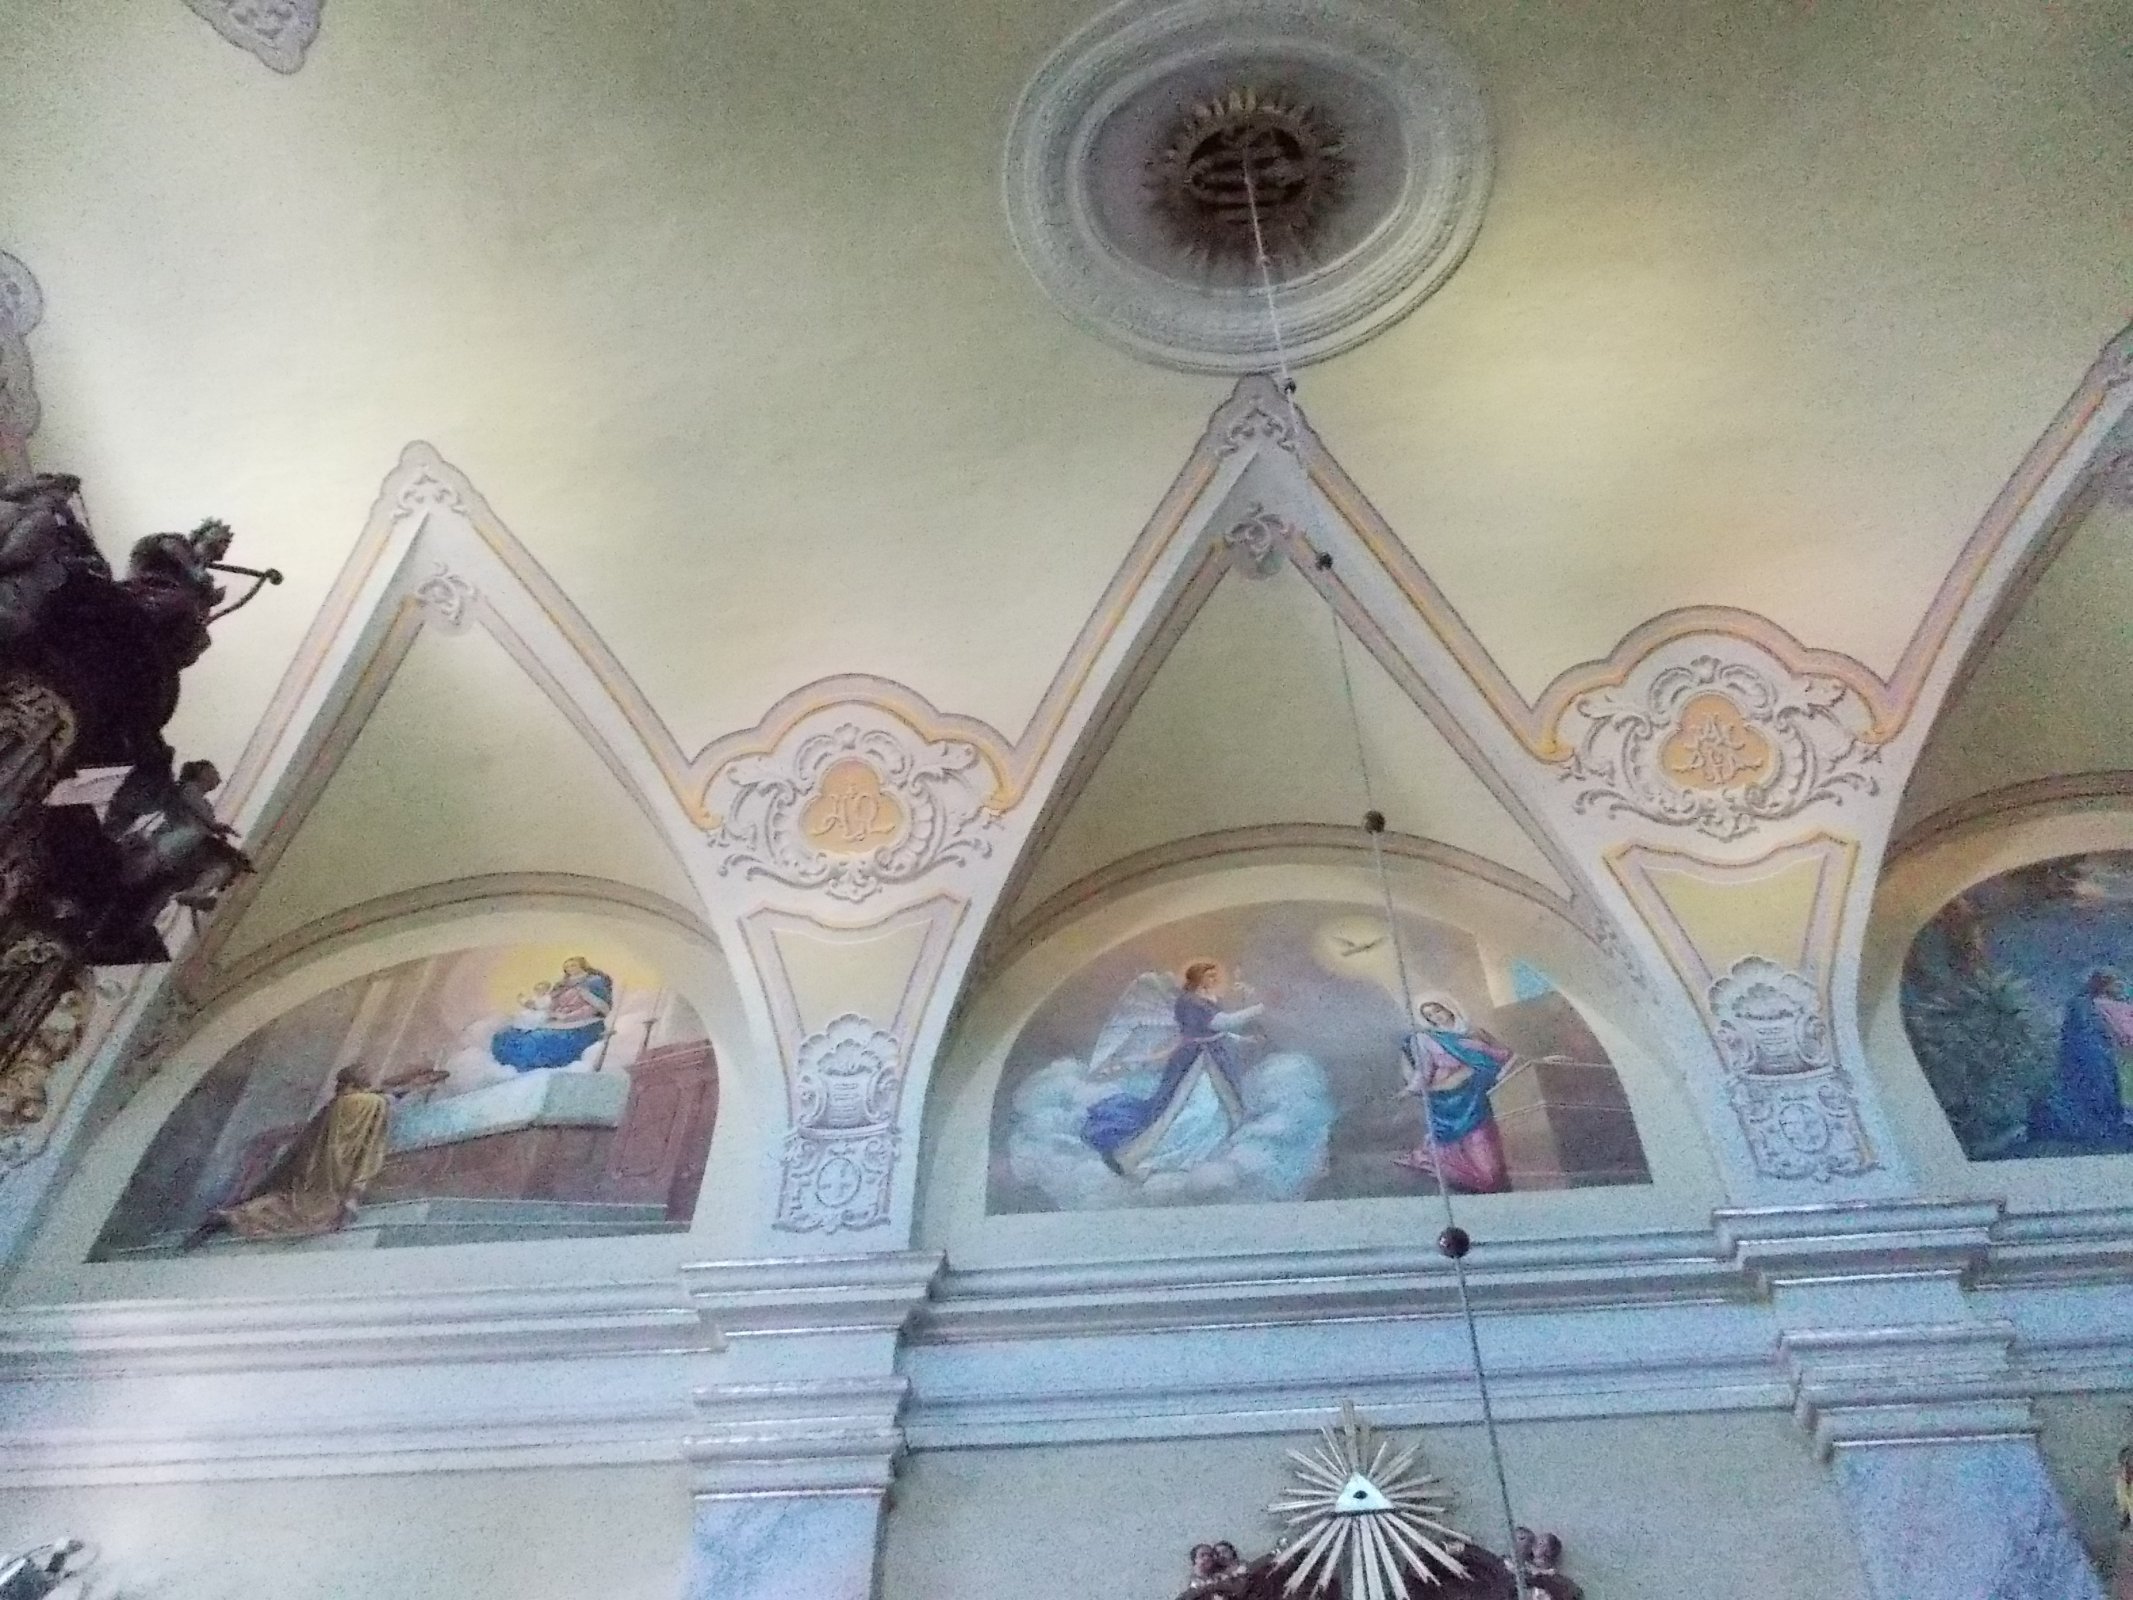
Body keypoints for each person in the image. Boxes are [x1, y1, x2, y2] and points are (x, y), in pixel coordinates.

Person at [183, 1061, 444, 1246]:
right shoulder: (372, 1103)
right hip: (332, 1185)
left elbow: (306, 1142)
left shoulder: (338, 1104)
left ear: (346, 1082)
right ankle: (229, 1218)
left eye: (339, 1083)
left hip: (311, 1174)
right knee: (305, 1212)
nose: (336, 1087)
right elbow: (380, 1118)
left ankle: (225, 1219)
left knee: (283, 1201)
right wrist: (353, 1193)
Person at [1083, 960, 1263, 1176]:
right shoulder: (1189, 1002)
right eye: (1210, 975)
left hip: (1214, 1061)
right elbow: (1221, 1023)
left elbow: (1216, 1033)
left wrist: (1243, 1039)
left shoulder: (1209, 999)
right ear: (1197, 978)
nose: (1215, 979)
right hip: (1195, 1063)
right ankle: (1147, 1159)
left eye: (1215, 974)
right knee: (1193, 1109)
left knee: (1216, 1111)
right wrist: (1259, 1008)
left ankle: (1194, 1159)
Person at [1396, 997, 1513, 1195]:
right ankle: (1438, 1162)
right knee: (1454, 1151)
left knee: (1490, 1172)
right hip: (1446, 1102)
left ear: (1448, 1008)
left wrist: (1483, 1048)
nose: (1435, 1017)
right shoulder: (1427, 1038)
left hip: (1478, 1099)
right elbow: (1424, 1070)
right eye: (1429, 1016)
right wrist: (1411, 1090)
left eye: (1437, 1010)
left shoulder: (1475, 1033)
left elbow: (1506, 1056)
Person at [2029, 970, 2133, 1146]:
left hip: (2093, 1058)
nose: (2121, 987)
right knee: (2097, 1089)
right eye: (2117, 983)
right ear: (2105, 985)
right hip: (2092, 1058)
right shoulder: (2096, 1005)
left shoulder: (2085, 1004)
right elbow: (2123, 1032)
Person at [488, 956, 613, 1071]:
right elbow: (551, 1002)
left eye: (573, 965)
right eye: (567, 967)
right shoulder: (563, 984)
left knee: (537, 1040)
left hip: (583, 1022)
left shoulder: (593, 982)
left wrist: (568, 1016)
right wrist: (540, 1007)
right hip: (557, 1017)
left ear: (582, 965)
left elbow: (596, 1006)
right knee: (508, 1035)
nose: (570, 969)